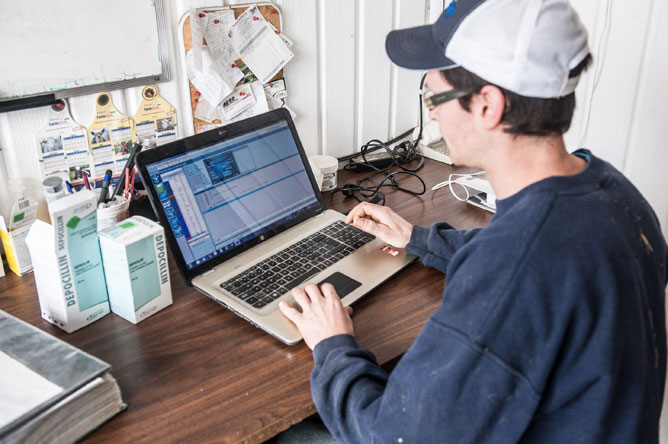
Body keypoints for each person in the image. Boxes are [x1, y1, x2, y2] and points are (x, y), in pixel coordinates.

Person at [278, 0, 668, 442]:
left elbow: (392, 435)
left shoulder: (515, 268)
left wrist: (332, 343)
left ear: (488, 106)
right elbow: (543, 268)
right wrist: (417, 238)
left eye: (433, 95)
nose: (432, 112)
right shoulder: (614, 194)